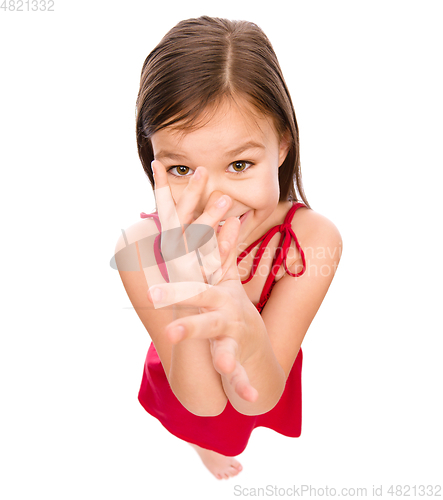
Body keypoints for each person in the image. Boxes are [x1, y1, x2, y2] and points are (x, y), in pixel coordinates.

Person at [115, 16, 342, 480]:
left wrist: (237, 305)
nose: (215, 201)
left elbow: (253, 392)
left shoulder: (313, 241)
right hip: (184, 378)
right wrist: (186, 279)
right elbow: (200, 400)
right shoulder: (138, 248)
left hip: (262, 374)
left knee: (237, 422)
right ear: (153, 158)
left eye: (239, 164)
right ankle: (201, 449)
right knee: (197, 427)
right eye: (181, 170)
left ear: (281, 143)